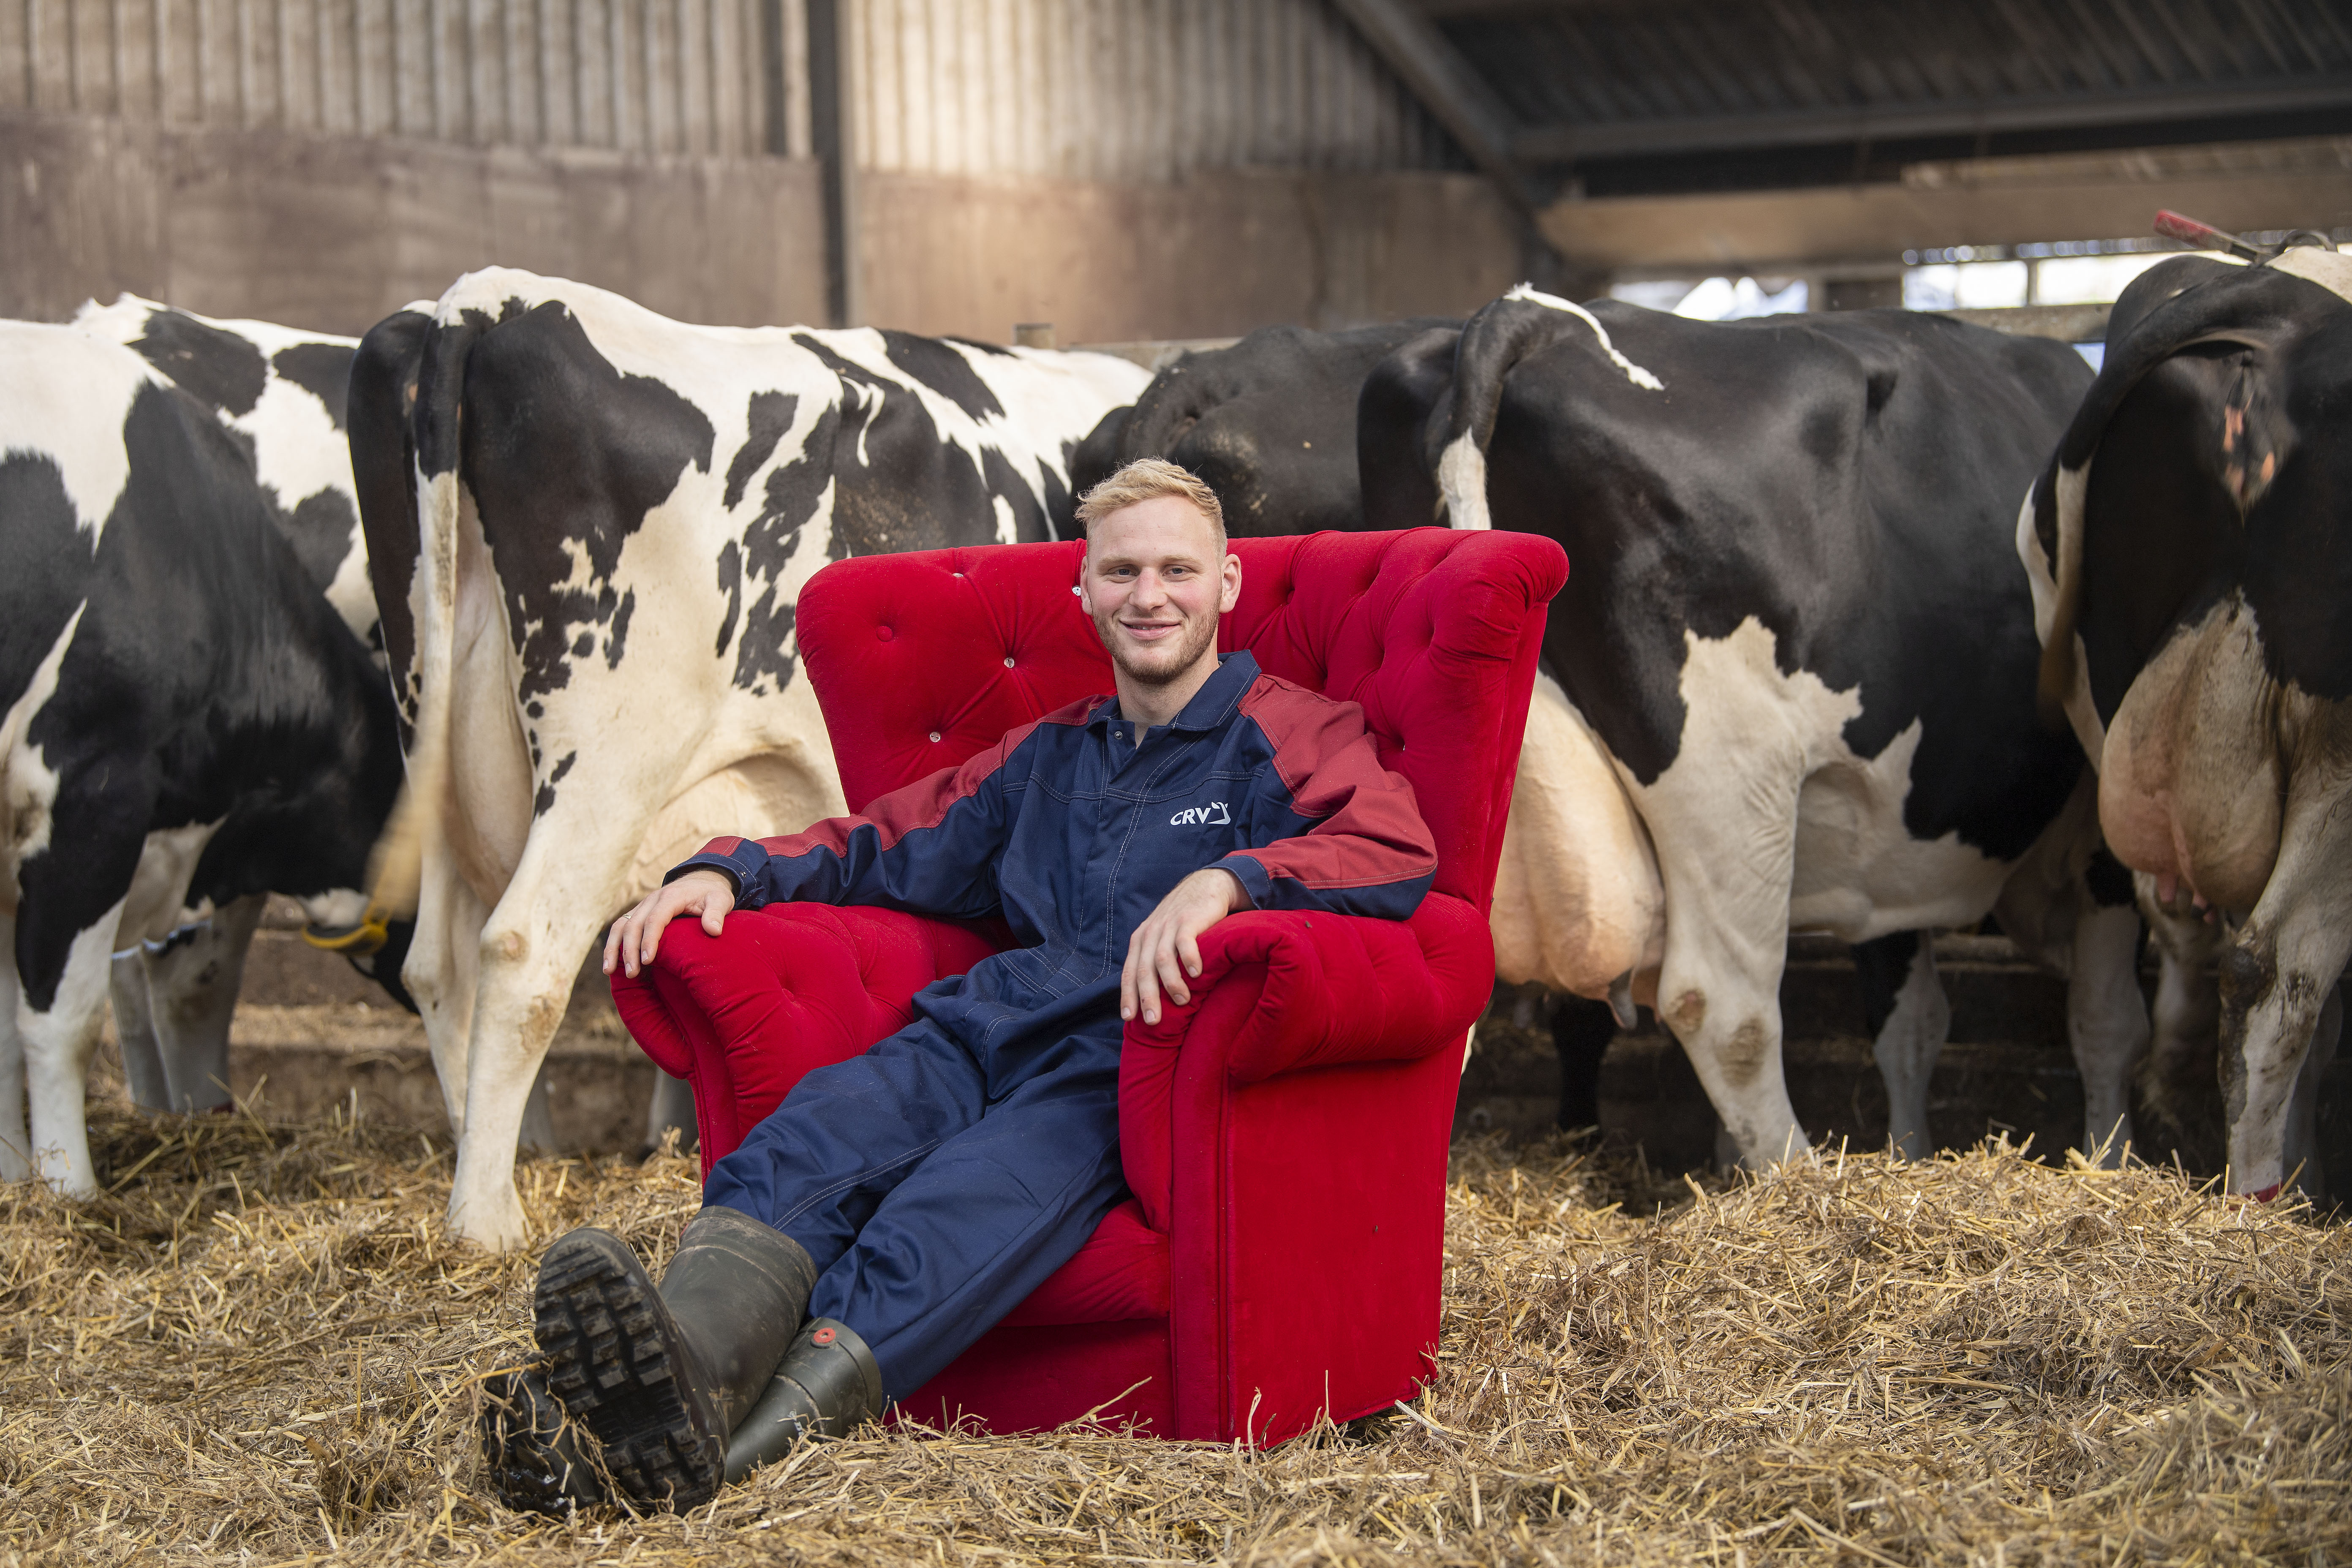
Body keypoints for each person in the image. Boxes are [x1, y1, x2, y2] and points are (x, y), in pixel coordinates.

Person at [480, 458, 1438, 1512]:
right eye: (1121, 571)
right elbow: (891, 837)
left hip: (1120, 1065)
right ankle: (685, 1378)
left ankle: (679, 1464)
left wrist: (1235, 877)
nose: (1149, 595)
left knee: (944, 1216)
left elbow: (1391, 848)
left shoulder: (1290, 732)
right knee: (805, 1143)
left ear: (1228, 583)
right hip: (979, 1029)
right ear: (1084, 591)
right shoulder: (1046, 753)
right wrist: (730, 868)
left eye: (1177, 569)